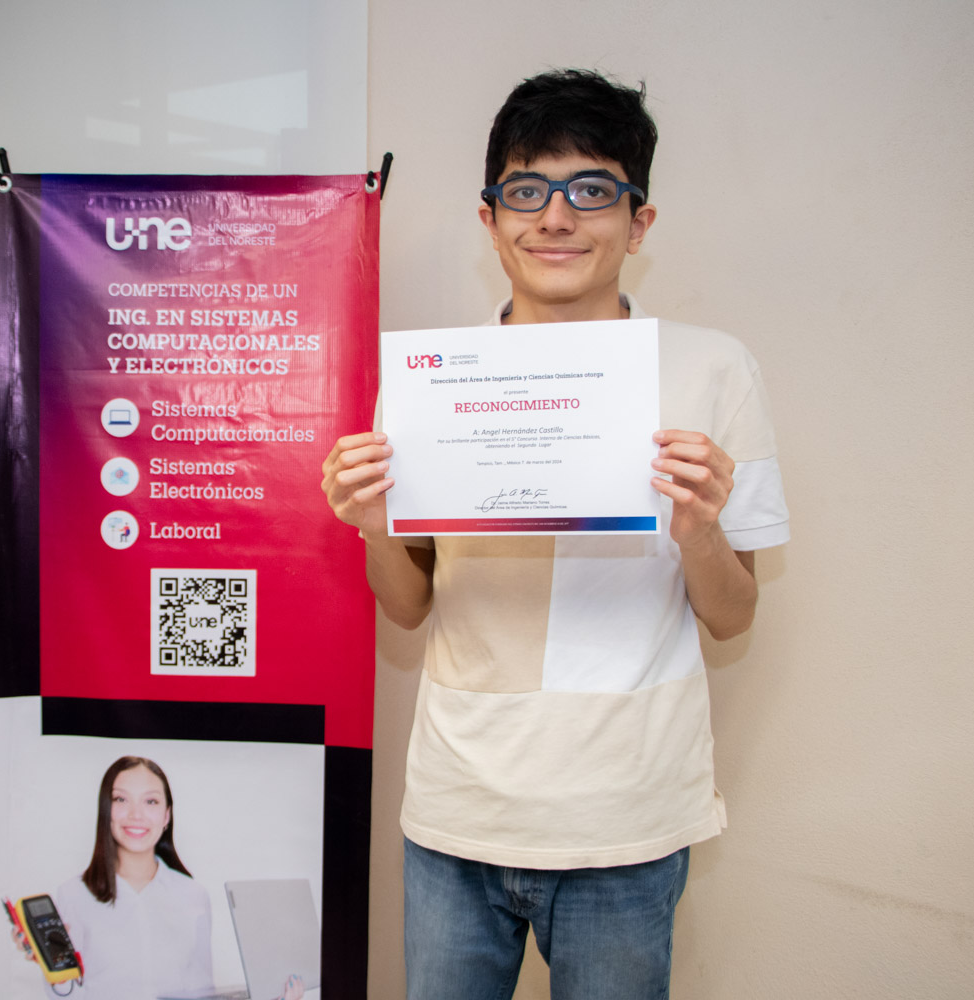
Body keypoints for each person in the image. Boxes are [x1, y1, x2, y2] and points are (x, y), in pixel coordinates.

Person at [320, 69, 789, 999]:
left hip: (628, 816)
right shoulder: (436, 382)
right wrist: (375, 527)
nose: (558, 218)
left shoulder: (712, 368)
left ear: (638, 222)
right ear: (491, 217)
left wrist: (698, 529)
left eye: (592, 190)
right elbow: (406, 607)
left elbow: (733, 616)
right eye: (528, 191)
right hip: (458, 808)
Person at [16, 756, 304, 1000]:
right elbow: (67, 995)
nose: (136, 814)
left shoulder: (193, 896)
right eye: (121, 799)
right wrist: (50, 965)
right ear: (106, 811)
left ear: (166, 816)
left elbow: (201, 992)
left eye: (150, 801)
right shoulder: (74, 894)